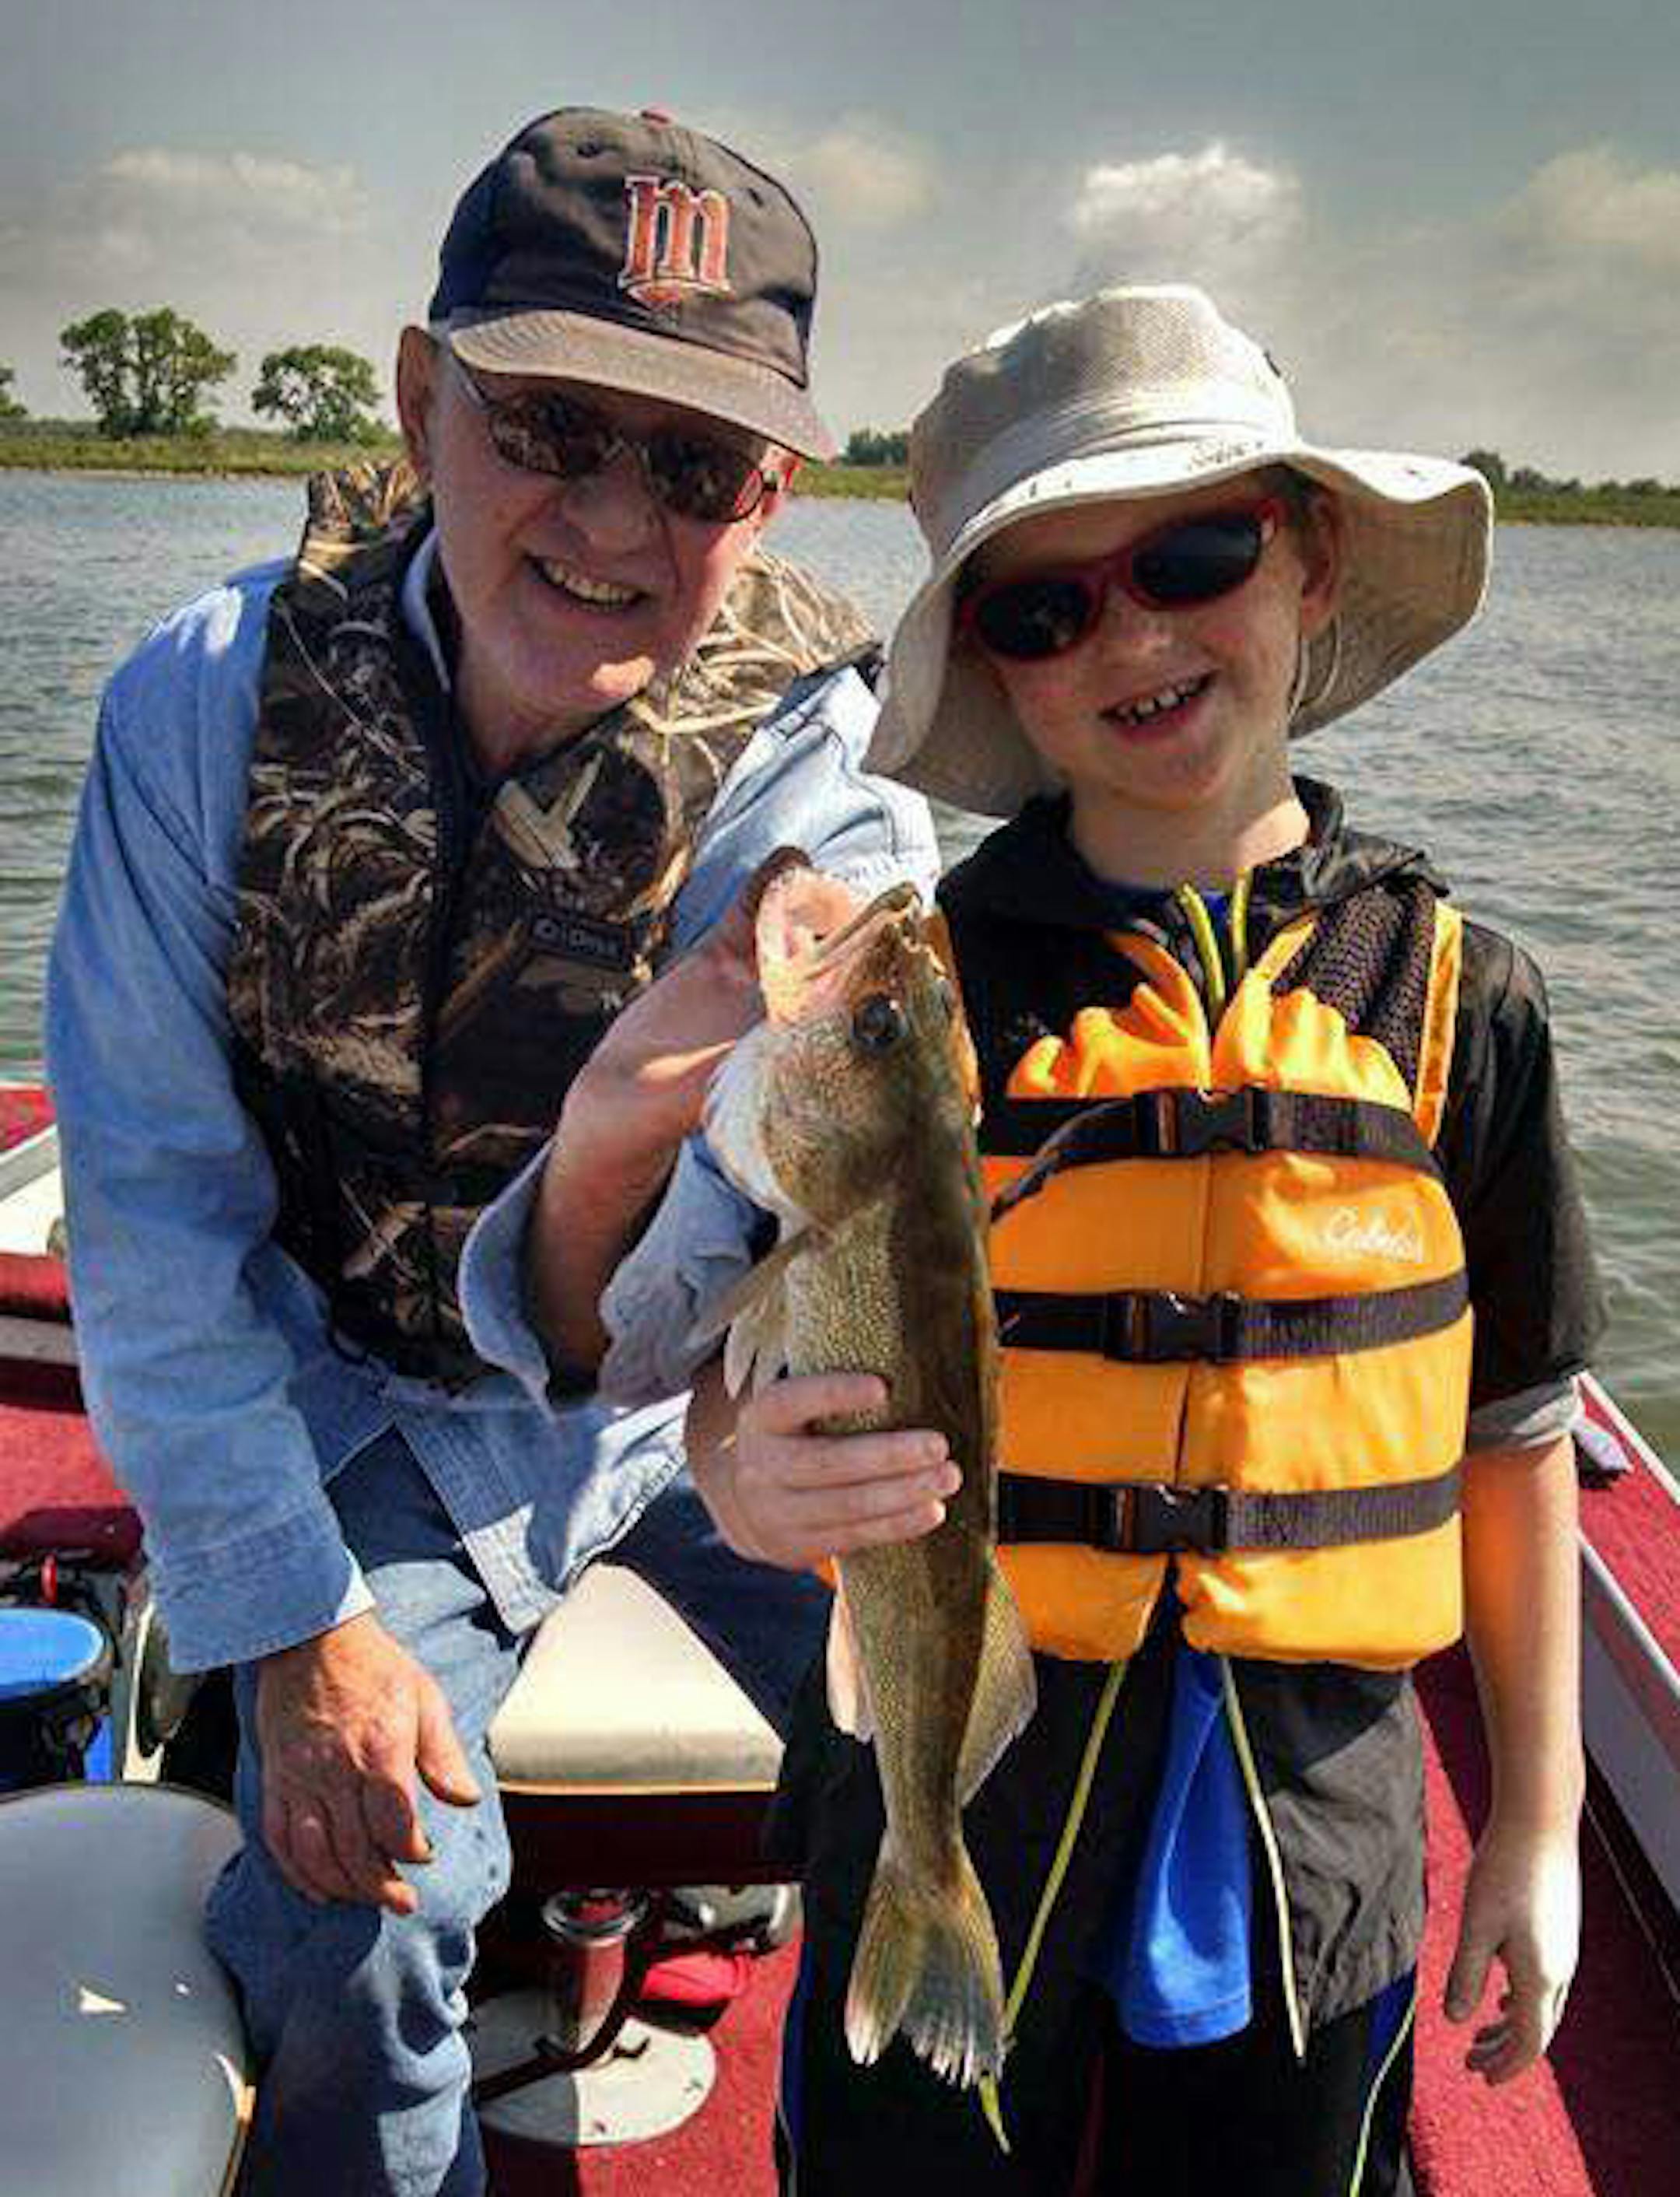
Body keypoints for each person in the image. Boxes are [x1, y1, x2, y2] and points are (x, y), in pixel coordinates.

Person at [595, 285, 1602, 2195]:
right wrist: (740, 1475)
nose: (1130, 631)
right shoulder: (906, 995)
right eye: (1044, 607)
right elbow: (716, 1346)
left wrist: (1539, 1821)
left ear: (1306, 559)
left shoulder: (1470, 995)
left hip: (1321, 1822)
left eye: (1194, 552)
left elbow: (1524, 1423)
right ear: (996, 662)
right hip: (966, 1762)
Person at [46, 105, 936, 2197]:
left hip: (677, 1402)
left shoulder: (833, 800)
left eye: (696, 465)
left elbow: (725, 1299)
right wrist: (282, 1622)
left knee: (998, 1745)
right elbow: (161, 1220)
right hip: (349, 1391)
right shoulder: (202, 705)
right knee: (353, 1899)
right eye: (548, 421)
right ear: (424, 397)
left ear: (777, 490)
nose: (615, 519)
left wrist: (667, 1181)